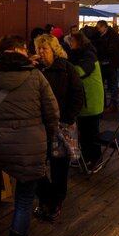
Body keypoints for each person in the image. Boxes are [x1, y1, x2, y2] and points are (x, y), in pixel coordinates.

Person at [0, 35, 60, 236]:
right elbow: (52, 112)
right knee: (23, 202)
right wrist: (48, 136)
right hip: (30, 145)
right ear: (17, 50)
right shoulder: (35, 75)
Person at [33, 33, 85, 222]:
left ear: (54, 50)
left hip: (62, 125)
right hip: (40, 127)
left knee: (59, 167)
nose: (41, 52)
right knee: (36, 165)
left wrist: (67, 118)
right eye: (38, 48)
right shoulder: (36, 70)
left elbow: (78, 95)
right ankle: (49, 198)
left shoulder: (67, 69)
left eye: (44, 48)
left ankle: (55, 203)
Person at [67, 32, 104, 171]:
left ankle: (96, 159)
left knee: (91, 133)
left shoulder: (88, 56)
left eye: (72, 42)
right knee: (83, 132)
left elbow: (79, 72)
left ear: (79, 42)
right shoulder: (79, 55)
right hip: (84, 101)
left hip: (91, 101)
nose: (70, 44)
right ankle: (85, 157)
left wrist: (64, 64)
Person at [94, 20, 119, 113]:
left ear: (104, 27)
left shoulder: (112, 36)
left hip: (110, 64)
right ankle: (105, 104)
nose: (98, 30)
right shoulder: (102, 35)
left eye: (99, 28)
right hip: (105, 63)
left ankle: (113, 105)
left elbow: (111, 50)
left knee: (112, 85)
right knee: (105, 85)